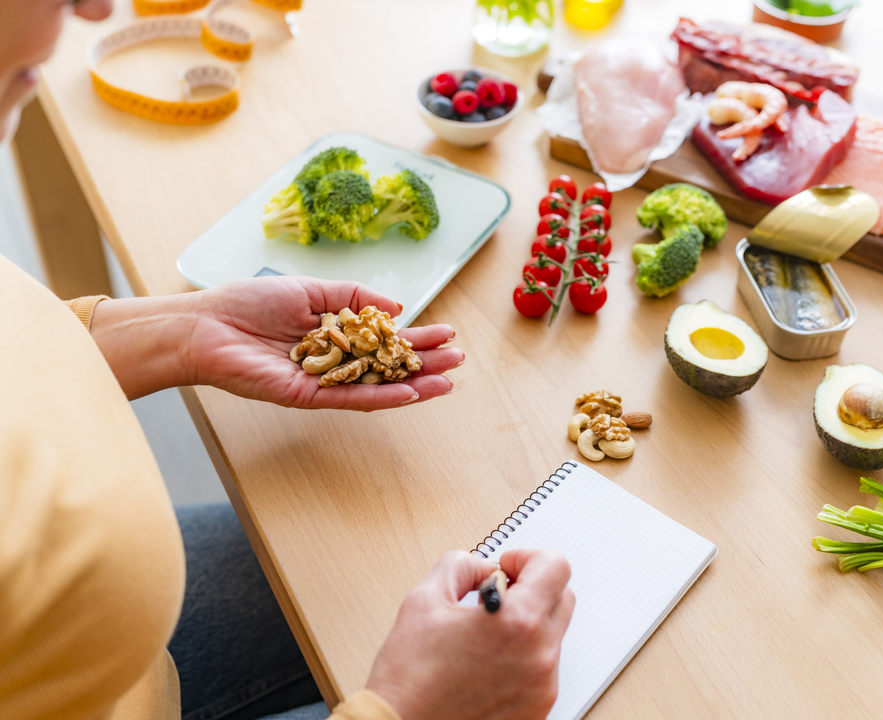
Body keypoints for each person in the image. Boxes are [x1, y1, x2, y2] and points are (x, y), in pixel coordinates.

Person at [0, 2, 574, 719]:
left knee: (376, 569)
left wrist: (183, 329)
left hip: (100, 642)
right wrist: (413, 709)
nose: (96, 7)